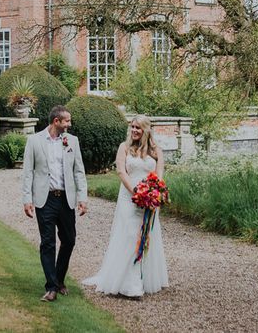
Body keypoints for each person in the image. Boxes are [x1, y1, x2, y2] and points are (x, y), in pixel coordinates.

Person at [83, 115, 168, 297]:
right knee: (130, 235)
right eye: (132, 127)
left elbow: (159, 174)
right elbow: (121, 172)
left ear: (146, 130)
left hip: (150, 199)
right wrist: (137, 192)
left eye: (138, 128)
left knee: (146, 235)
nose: (134, 131)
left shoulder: (156, 150)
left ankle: (144, 277)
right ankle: (130, 284)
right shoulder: (124, 147)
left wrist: (154, 194)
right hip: (129, 197)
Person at [22, 105, 88, 302]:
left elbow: (79, 171)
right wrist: (27, 199)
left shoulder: (72, 141)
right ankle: (51, 287)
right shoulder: (34, 141)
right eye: (66, 121)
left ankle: (59, 279)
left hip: (67, 199)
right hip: (45, 199)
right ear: (56, 121)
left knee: (69, 240)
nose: (69, 124)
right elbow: (27, 172)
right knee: (48, 243)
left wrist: (82, 197)